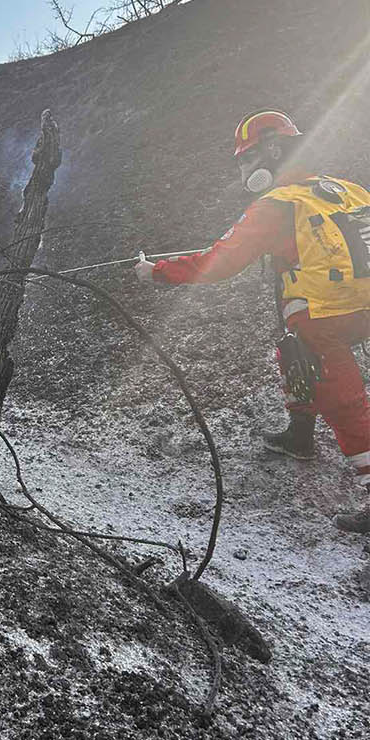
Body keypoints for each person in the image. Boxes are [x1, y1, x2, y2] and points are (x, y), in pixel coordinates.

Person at [135, 109, 370, 533]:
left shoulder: (275, 204)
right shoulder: (342, 189)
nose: (244, 168)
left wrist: (156, 272)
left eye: (246, 158)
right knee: (292, 354)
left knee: (344, 402)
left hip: (321, 313)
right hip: (361, 305)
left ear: (272, 151)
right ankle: (300, 437)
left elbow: (217, 263)